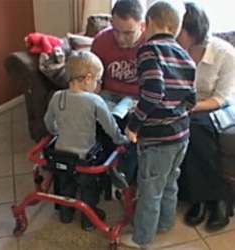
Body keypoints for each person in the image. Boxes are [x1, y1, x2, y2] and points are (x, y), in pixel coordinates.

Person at [121, 0, 197, 248]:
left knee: (149, 189)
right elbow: (191, 100)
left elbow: (153, 93)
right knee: (169, 182)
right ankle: (165, 223)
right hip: (182, 135)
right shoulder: (186, 56)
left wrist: (134, 123)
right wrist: (172, 113)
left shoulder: (148, 50)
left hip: (158, 139)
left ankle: (142, 238)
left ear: (150, 22)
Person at [44, 50, 128, 231]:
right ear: (88, 78)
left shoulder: (57, 97)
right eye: (98, 81)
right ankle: (88, 221)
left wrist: (56, 132)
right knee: (89, 189)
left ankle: (66, 216)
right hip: (85, 159)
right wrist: (121, 139)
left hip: (61, 157)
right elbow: (110, 126)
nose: (98, 85)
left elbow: (48, 123)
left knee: (67, 186)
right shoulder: (94, 100)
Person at [176, 1, 235, 231]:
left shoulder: (225, 54)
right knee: (183, 125)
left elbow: (221, 97)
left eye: (178, 30)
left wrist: (190, 108)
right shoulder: (175, 51)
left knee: (196, 126)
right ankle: (205, 197)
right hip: (190, 105)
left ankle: (210, 198)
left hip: (222, 107)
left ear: (192, 31)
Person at [91, 0, 146, 105]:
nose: (120, 38)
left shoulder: (152, 44)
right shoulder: (101, 40)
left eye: (128, 33)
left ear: (142, 26)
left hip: (138, 98)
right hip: (108, 95)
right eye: (116, 30)